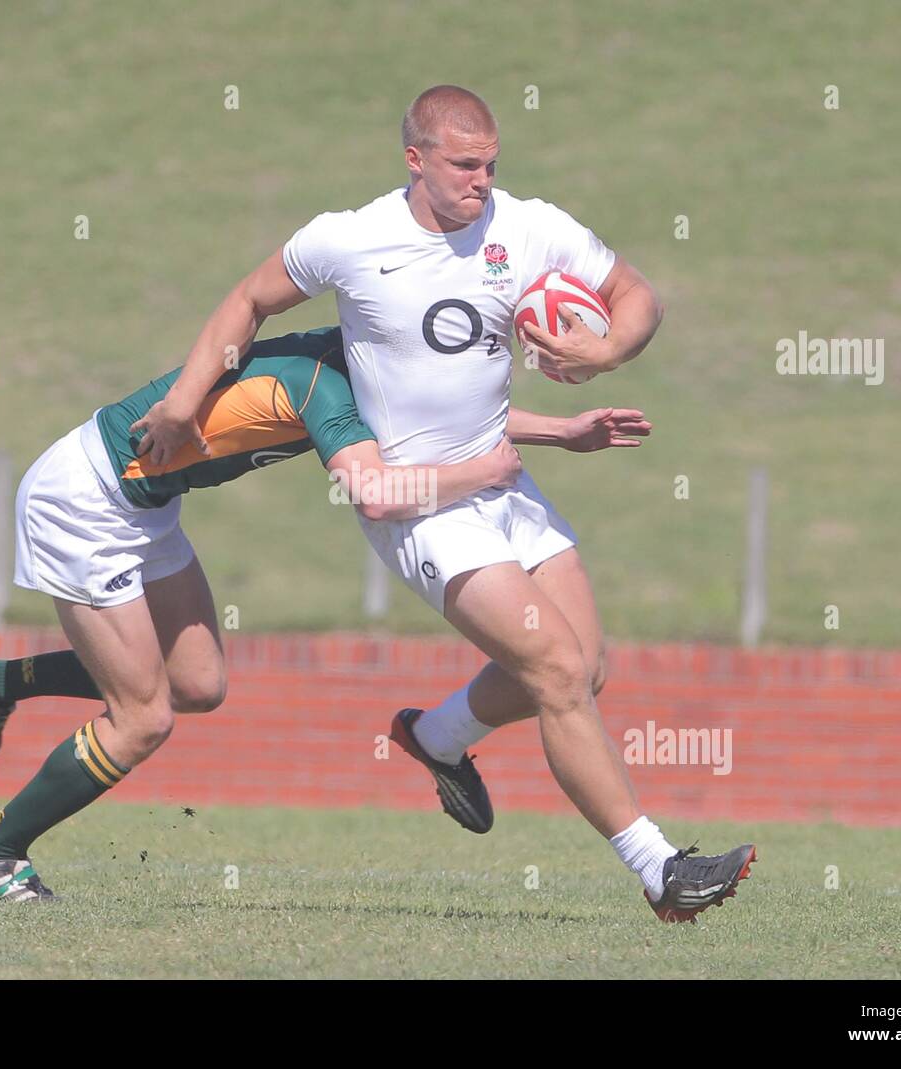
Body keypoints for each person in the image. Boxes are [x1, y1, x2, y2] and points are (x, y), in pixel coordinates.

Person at [130, 86, 755, 923]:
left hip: (504, 480)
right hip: (422, 504)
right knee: (558, 670)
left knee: (588, 666)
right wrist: (183, 402)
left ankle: (435, 737)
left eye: (492, 163)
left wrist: (600, 352)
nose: (482, 180)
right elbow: (248, 301)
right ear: (415, 159)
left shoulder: (529, 227)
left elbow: (639, 297)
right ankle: (660, 870)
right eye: (464, 164)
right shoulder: (351, 239)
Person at [0, 325, 651, 902]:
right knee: (144, 716)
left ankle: (1, 682)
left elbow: (455, 424)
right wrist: (484, 472)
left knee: (197, 685)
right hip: (84, 502)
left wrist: (562, 431)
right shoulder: (326, 383)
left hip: (146, 509)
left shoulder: (363, 364)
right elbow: (374, 490)